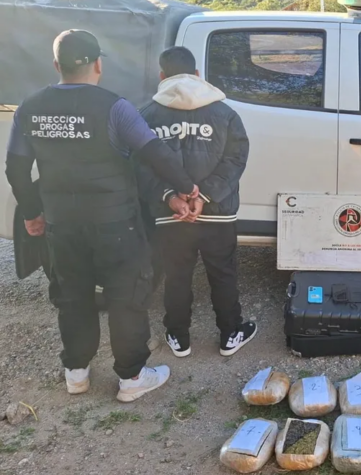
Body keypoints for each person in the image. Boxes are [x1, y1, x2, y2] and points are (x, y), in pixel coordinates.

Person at [5, 30, 201, 401]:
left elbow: (15, 169)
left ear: (57, 65)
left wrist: (32, 212)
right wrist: (187, 188)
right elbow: (155, 154)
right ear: (98, 64)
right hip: (116, 224)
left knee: (72, 295)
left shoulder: (29, 107)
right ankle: (131, 378)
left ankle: (76, 373)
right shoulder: (115, 107)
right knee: (126, 296)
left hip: (61, 224)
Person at [135, 46, 256, 358]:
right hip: (218, 212)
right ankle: (230, 334)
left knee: (176, 276)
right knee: (223, 274)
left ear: (162, 76)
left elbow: (140, 166)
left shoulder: (147, 115)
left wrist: (171, 197)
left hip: (171, 215)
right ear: (198, 74)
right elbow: (236, 159)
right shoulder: (225, 113)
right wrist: (204, 195)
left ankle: (179, 337)